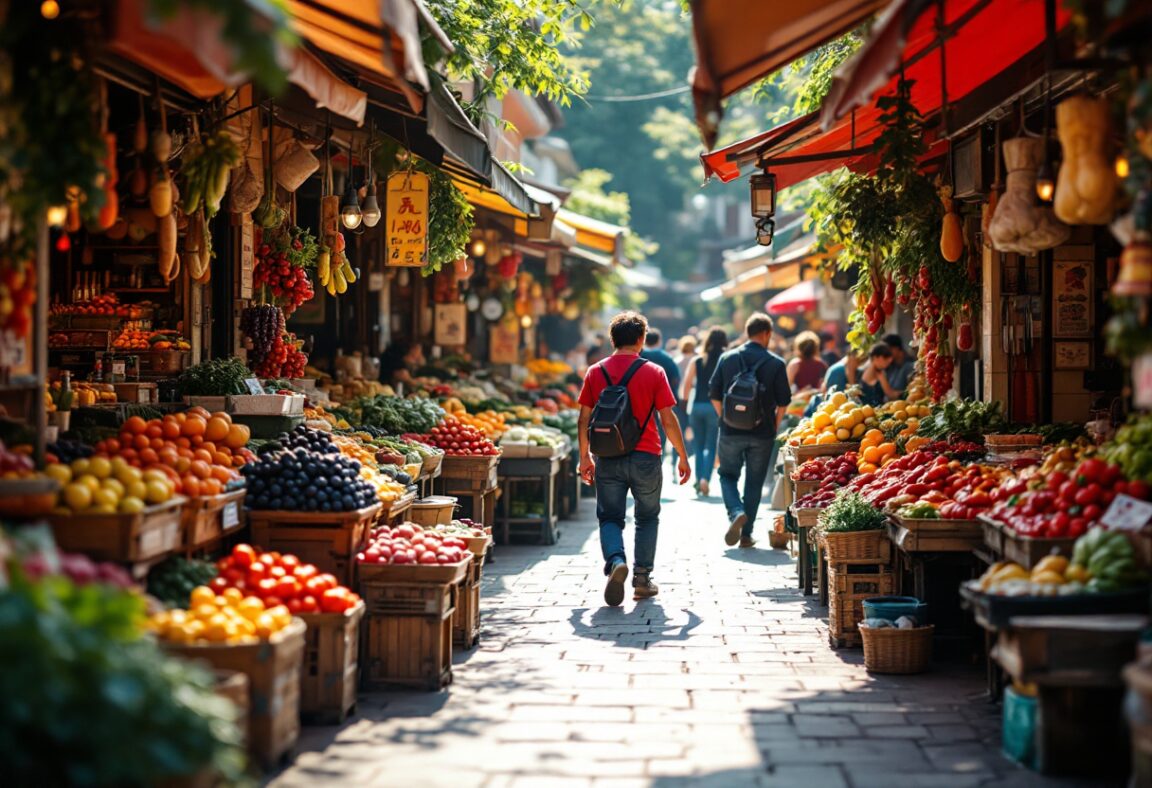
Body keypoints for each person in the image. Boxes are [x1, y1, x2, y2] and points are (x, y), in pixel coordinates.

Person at [578, 312, 690, 606]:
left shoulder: (595, 372)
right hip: (646, 457)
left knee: (610, 517)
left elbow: (584, 419)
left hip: (607, 457)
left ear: (613, 339)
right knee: (647, 517)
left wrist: (584, 457)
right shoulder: (654, 372)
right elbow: (667, 419)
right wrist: (682, 455)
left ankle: (616, 561)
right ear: (641, 339)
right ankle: (641, 579)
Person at [709, 313, 791, 548]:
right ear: (767, 334)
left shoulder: (727, 358)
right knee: (754, 483)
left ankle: (735, 512)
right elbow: (784, 401)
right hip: (762, 433)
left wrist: (725, 417)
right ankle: (746, 534)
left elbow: (713, 394)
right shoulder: (776, 363)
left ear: (747, 331)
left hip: (730, 432)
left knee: (727, 475)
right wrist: (774, 425)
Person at [680, 327, 727, 497]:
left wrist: (685, 409)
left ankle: (698, 479)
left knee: (698, 446)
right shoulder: (725, 360)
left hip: (697, 407)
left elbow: (685, 388)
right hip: (715, 408)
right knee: (711, 446)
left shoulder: (698, 360)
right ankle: (705, 479)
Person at [640, 328, 681, 459]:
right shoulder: (667, 358)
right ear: (659, 341)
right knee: (663, 426)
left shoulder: (640, 355)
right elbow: (676, 378)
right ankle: (659, 454)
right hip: (663, 400)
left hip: (642, 399)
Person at [883, 333, 915, 398]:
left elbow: (914, 392)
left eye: (888, 350)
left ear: (896, 348)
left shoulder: (910, 366)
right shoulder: (891, 367)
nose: (885, 354)